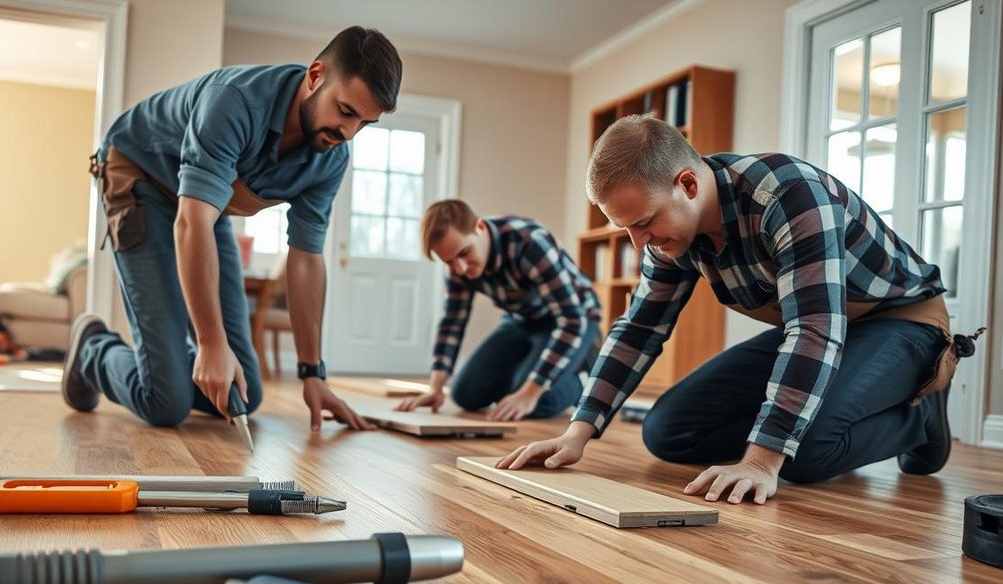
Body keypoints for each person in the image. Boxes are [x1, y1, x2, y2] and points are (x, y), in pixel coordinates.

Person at [499, 113, 969, 504]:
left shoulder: (788, 194)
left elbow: (814, 328)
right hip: (818, 327)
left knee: (801, 454)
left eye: (644, 223)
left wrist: (762, 460)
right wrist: (577, 432)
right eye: (626, 229)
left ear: (687, 184)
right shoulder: (668, 238)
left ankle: (921, 415)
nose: (638, 243)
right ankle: (802, 423)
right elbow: (638, 329)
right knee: (668, 432)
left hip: (901, 320)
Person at [63, 27, 402, 432]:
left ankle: (171, 365)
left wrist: (313, 373)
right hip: (140, 177)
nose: (348, 133)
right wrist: (210, 344)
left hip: (208, 207)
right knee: (165, 403)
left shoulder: (330, 158)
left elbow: (307, 257)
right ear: (315, 76)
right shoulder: (235, 100)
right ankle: (93, 347)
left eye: (365, 124)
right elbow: (191, 221)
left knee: (245, 393)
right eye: (345, 111)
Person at [397, 200, 601, 422]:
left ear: (479, 227)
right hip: (519, 320)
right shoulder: (457, 266)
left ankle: (581, 378)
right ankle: (525, 381)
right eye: (449, 262)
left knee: (536, 402)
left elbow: (571, 320)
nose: (460, 268)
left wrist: (529, 392)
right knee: (465, 395)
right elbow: (452, 324)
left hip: (575, 319)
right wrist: (435, 389)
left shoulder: (529, 243)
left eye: (464, 253)